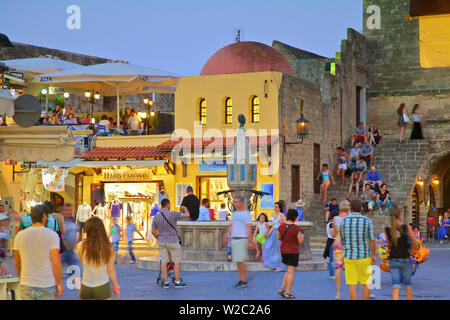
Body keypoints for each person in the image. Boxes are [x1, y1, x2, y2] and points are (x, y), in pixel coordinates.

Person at [13, 204, 63, 300]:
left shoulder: (20, 236)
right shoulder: (52, 235)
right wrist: (59, 283)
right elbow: (56, 262)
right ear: (44, 216)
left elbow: (17, 262)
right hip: (46, 283)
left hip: (26, 283)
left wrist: (22, 277)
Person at [74, 217, 120, 300]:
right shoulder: (108, 247)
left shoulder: (80, 246)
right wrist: (116, 286)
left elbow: (76, 267)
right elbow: (110, 270)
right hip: (102, 286)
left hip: (86, 286)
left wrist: (79, 288)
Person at [339, 200, 377, 300]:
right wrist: (374, 254)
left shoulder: (344, 221)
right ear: (361, 208)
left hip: (349, 256)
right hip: (364, 256)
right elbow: (371, 240)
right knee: (366, 283)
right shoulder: (367, 221)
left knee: (352, 284)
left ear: (350, 208)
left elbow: (342, 240)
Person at [151, 198, 190, 288]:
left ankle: (166, 282)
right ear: (168, 205)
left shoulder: (157, 216)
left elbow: (153, 231)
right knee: (176, 261)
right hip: (173, 241)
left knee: (164, 261)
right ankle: (177, 282)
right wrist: (185, 208)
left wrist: (158, 238)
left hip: (162, 241)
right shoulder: (173, 214)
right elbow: (187, 215)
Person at [385, 207, 418, 300]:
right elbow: (414, 241)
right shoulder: (406, 228)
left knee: (396, 286)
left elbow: (389, 244)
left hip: (393, 259)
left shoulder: (387, 229)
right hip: (405, 258)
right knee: (407, 286)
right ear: (400, 215)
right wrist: (411, 248)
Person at [278, 209, 303, 299]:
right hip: (293, 251)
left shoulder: (281, 226)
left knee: (288, 270)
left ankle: (282, 289)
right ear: (295, 217)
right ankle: (288, 292)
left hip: (283, 250)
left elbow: (279, 237)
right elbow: (300, 241)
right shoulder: (296, 228)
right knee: (291, 272)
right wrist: (301, 237)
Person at [229, 197, 254, 288]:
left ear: (242, 203)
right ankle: (245, 275)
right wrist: (227, 235)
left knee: (240, 260)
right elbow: (232, 225)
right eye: (234, 202)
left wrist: (250, 241)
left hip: (242, 238)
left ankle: (244, 280)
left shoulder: (246, 214)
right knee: (238, 261)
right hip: (235, 239)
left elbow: (248, 227)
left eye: (237, 202)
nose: (235, 204)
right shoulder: (234, 214)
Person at [330, 201, 350, 299]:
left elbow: (333, 234)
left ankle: (338, 292)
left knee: (338, 268)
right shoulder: (350, 218)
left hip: (338, 245)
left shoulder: (336, 219)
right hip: (349, 244)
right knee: (351, 267)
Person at [263, 201, 286, 272]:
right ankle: (275, 265)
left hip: (279, 233)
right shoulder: (274, 215)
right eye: (274, 207)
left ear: (280, 208)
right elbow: (273, 226)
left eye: (276, 207)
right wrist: (268, 233)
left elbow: (286, 224)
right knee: (269, 247)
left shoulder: (282, 215)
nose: (275, 208)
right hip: (273, 234)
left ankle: (281, 267)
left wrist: (281, 222)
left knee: (279, 250)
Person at [60, 203, 81, 272]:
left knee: (77, 271)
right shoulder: (59, 222)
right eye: (66, 210)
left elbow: (78, 234)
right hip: (61, 252)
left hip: (71, 251)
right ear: (62, 211)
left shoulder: (74, 222)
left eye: (70, 210)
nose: (68, 212)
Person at [324, 210, 339, 280]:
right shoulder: (331, 224)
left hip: (334, 241)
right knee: (332, 259)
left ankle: (334, 273)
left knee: (335, 259)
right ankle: (332, 274)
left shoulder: (332, 224)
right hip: (332, 241)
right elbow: (333, 235)